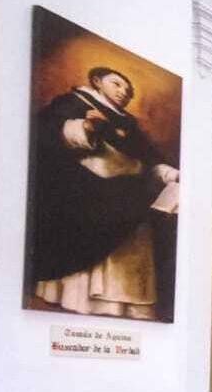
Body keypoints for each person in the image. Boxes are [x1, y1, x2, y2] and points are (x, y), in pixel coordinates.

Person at [27, 65, 179, 320]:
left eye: (128, 91)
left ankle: (122, 304)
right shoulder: (73, 102)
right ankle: (79, 298)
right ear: (97, 81)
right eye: (116, 84)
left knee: (136, 225)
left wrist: (168, 172)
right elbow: (45, 132)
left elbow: (147, 158)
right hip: (86, 187)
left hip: (128, 190)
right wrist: (85, 127)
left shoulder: (127, 122)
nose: (123, 92)